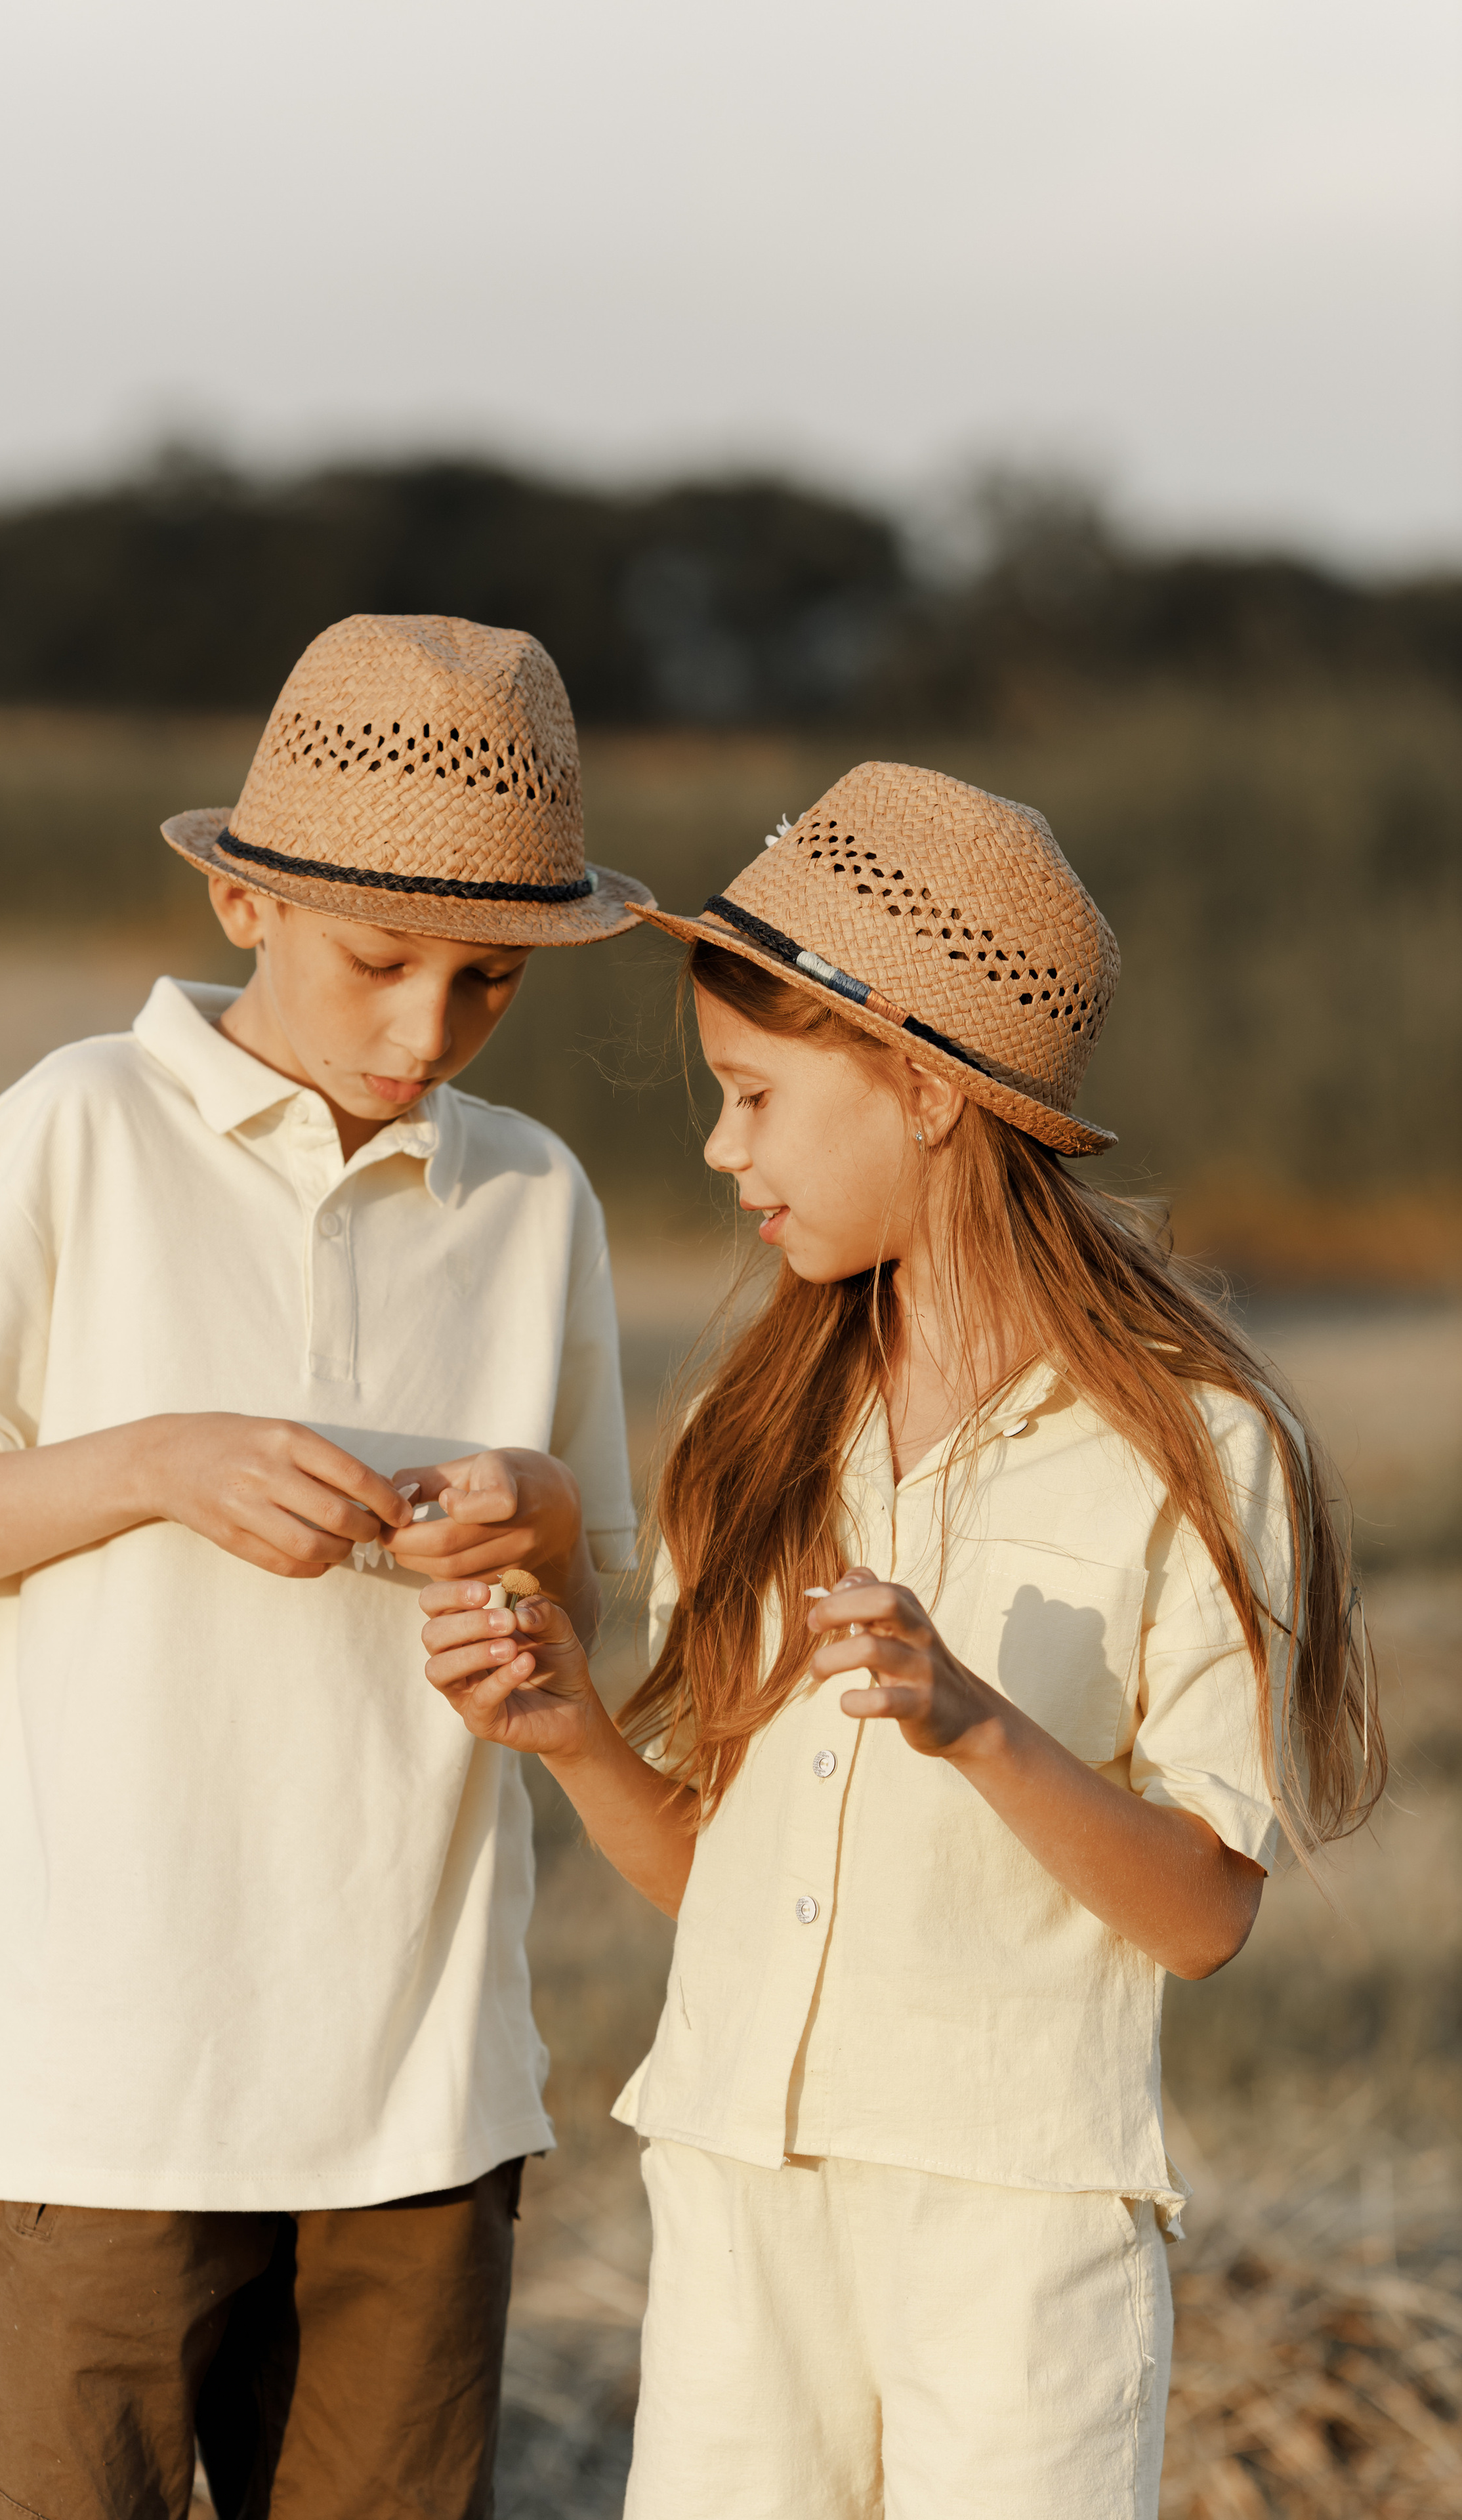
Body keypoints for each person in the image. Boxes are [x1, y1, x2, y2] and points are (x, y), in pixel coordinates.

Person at [418, 761, 1384, 2520]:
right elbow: (724, 1866)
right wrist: (574, 1738)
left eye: (756, 1096)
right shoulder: (756, 1420)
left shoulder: (1201, 1444)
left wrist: (977, 1725)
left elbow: (1204, 1911)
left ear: (926, 1091)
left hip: (1015, 2228)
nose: (723, 1149)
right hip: (739, 2190)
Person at [0, 614, 651, 2520]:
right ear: (244, 898)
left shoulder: (534, 1199)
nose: (425, 1032)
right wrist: (153, 1463)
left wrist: (533, 1521)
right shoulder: (69, 1132)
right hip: (90, 2090)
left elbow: (605, 1636)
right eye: (382, 961)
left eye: (488, 983)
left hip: (423, 2094)